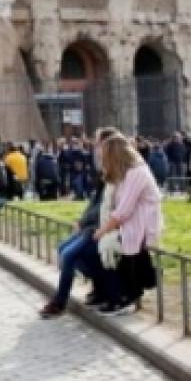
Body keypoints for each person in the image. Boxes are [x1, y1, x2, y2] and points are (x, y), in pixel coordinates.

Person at [40, 127, 119, 318]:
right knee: (63, 249)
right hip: (92, 226)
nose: (95, 148)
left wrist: (85, 224)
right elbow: (94, 202)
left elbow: (105, 207)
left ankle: (59, 302)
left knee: (69, 255)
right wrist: (81, 220)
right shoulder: (105, 169)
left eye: (98, 144)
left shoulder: (116, 171)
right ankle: (100, 286)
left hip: (102, 228)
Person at [94, 134, 164, 316]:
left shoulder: (137, 172)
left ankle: (126, 297)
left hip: (143, 222)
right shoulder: (127, 173)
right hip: (132, 221)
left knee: (113, 246)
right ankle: (112, 294)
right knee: (105, 246)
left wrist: (103, 230)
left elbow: (124, 209)